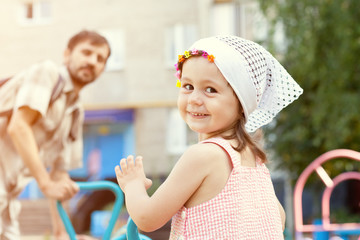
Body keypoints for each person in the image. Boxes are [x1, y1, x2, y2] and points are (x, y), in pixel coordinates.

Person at [115, 35, 303, 239]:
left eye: (210, 90)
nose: (195, 99)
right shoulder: (255, 159)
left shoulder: (203, 155)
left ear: (241, 104)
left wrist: (132, 184)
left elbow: (146, 218)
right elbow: (279, 218)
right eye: (187, 86)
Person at [0, 30, 111, 240]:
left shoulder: (76, 112)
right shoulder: (48, 73)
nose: (92, 61)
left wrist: (62, 233)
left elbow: (59, 175)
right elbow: (19, 126)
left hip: (7, 204)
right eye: (86, 52)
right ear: (67, 54)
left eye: (100, 59)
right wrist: (45, 184)